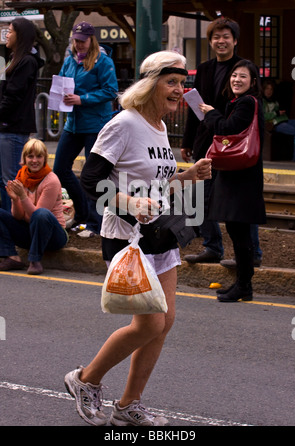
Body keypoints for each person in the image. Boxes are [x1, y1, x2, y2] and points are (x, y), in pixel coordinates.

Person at [64, 50, 212, 426]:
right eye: (171, 82)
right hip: (128, 236)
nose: (180, 90)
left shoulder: (160, 127)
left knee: (166, 321)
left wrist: (186, 176)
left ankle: (129, 404)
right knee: (148, 325)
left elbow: (157, 183)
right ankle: (85, 380)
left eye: (182, 83)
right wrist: (129, 201)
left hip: (161, 231)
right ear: (150, 84)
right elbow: (89, 179)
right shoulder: (124, 124)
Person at [181, 17, 262, 267]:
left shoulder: (242, 69)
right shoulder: (204, 68)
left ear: (235, 40)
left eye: (226, 36)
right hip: (207, 143)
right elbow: (197, 108)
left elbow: (245, 111)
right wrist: (188, 141)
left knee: (240, 203)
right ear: (211, 41)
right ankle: (212, 246)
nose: (221, 41)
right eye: (216, 37)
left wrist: (216, 115)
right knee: (198, 196)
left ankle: (251, 254)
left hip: (233, 147)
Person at [199, 59, 266, 302]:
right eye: (234, 75)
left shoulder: (247, 102)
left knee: (240, 233)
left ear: (253, 82)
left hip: (241, 176)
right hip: (240, 173)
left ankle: (244, 286)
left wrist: (211, 114)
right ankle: (241, 283)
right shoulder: (240, 102)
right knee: (238, 231)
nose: (237, 80)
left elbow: (227, 129)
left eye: (243, 77)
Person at [53, 21, 118, 237]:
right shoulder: (69, 61)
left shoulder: (103, 61)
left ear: (91, 40)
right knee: (60, 169)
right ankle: (81, 213)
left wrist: (82, 99)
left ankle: (94, 223)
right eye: (75, 40)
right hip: (73, 123)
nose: (78, 44)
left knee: (92, 174)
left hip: (95, 124)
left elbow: (111, 91)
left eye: (82, 41)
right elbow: (62, 83)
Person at [0, 139, 68, 275]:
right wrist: (14, 199)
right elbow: (18, 216)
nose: (34, 160)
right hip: (30, 231)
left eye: (39, 156)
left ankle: (35, 261)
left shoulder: (51, 180)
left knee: (41, 214)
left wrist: (23, 197)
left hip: (53, 236)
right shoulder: (21, 177)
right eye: (30, 156)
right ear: (24, 158)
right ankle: (11, 256)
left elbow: (37, 216)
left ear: (45, 159)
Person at [0, 17, 44, 212]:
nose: (6, 35)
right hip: (7, 127)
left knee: (11, 182)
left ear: (21, 35)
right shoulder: (15, 58)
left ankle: (11, 233)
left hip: (12, 128)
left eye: (10, 31)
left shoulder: (25, 61)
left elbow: (13, 96)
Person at [262, 79, 295, 161]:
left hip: (282, 120)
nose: (269, 91)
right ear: (263, 90)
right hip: (273, 124)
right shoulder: (261, 101)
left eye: (271, 89)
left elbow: (280, 113)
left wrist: (279, 113)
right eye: (267, 89)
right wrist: (276, 113)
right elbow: (263, 116)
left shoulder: (274, 101)